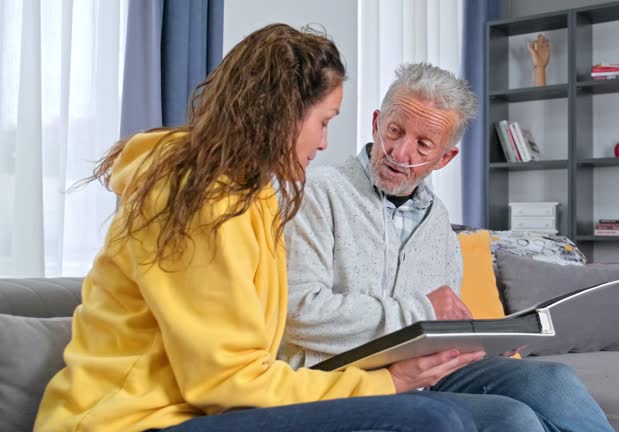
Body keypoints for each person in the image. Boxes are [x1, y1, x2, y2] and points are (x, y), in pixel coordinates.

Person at [33, 24, 484, 432]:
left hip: (201, 409)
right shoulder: (199, 199)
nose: (325, 142)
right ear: (284, 114)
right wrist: (387, 382)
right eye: (324, 121)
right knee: (429, 419)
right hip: (127, 421)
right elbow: (229, 381)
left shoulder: (256, 198)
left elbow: (241, 370)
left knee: (467, 413)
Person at [281, 62, 616, 432]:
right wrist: (421, 310)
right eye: (394, 131)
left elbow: (441, 325)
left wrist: (482, 340)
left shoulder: (437, 220)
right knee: (511, 418)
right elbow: (298, 312)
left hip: (428, 371)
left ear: (445, 158)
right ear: (377, 122)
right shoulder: (316, 192)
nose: (400, 152)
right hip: (348, 376)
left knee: (554, 381)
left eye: (423, 144)